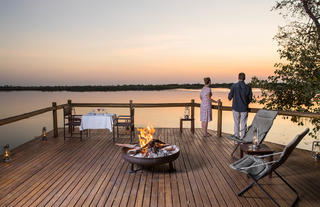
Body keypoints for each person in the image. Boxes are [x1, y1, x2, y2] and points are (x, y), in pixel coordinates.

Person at [228, 72, 253, 139]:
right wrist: (245, 103)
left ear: (238, 78)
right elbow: (250, 99)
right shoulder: (248, 87)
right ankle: (242, 138)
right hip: (244, 108)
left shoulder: (234, 86)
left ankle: (236, 138)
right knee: (243, 124)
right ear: (244, 78)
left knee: (236, 123)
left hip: (235, 107)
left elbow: (229, 97)